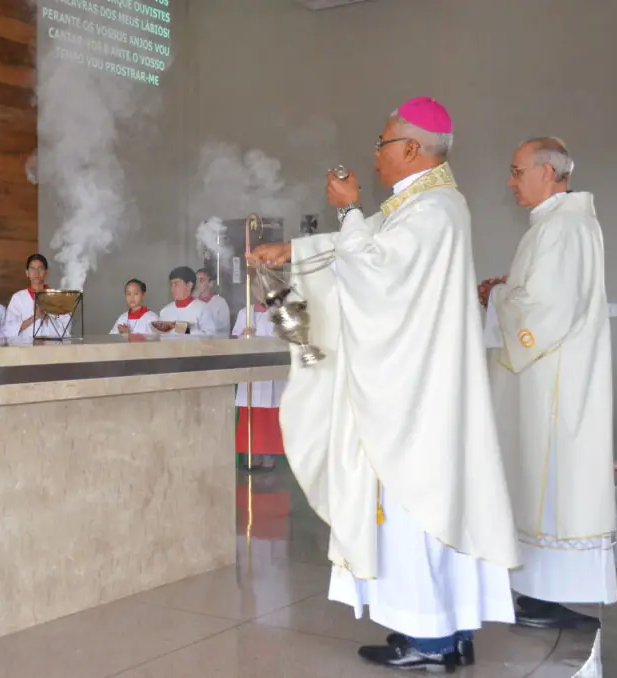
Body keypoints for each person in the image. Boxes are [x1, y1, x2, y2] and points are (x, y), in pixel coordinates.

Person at [249, 97, 520, 671]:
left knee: (412, 506)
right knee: (429, 507)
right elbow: (364, 249)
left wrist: (348, 210)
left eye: (382, 145)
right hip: (417, 389)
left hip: (412, 400)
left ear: (412, 149)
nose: (374, 158)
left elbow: (375, 272)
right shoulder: (419, 207)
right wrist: (292, 251)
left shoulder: (435, 211)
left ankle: (430, 640)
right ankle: (449, 630)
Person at [484, 137, 616, 629]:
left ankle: (544, 597)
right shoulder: (554, 226)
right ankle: (536, 593)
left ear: (548, 172)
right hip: (546, 380)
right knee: (542, 486)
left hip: (555, 389)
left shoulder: (565, 227)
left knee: (552, 488)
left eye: (517, 171)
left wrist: (498, 297)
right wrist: (506, 292)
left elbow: (545, 313)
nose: (511, 181)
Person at [233, 297, 284, 470]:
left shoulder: (280, 312)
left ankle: (269, 458)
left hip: (271, 369)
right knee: (251, 415)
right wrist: (244, 336)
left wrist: (259, 338)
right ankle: (253, 456)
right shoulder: (245, 313)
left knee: (268, 416)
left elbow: (283, 340)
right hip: (250, 370)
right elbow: (236, 339)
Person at [2, 254, 72, 338]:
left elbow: (66, 329)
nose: (36, 272)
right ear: (27, 273)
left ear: (46, 273)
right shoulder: (18, 298)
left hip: (52, 347)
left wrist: (45, 317)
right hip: (25, 348)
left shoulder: (58, 298)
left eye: (40, 268)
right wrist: (35, 317)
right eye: (32, 268)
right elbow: (9, 329)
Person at [156, 266, 216, 336]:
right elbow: (161, 338)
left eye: (176, 284)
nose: (172, 289)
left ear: (189, 285)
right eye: (171, 284)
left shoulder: (202, 309)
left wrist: (181, 328)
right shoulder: (165, 311)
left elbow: (210, 336)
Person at [196, 268, 231, 335]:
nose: (197, 283)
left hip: (215, 342)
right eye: (196, 280)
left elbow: (224, 328)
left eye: (201, 280)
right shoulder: (193, 302)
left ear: (211, 283)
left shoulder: (220, 302)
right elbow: (186, 329)